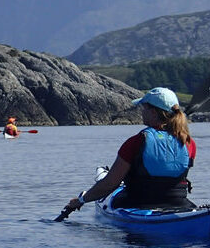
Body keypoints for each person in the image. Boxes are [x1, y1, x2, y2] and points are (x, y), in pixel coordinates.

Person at [63, 87, 197, 212]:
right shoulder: (188, 143)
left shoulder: (136, 142)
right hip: (178, 203)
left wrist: (81, 200)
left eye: (144, 108)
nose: (142, 112)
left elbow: (110, 184)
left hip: (139, 203)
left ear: (153, 113)